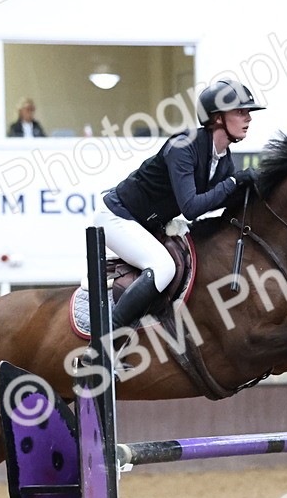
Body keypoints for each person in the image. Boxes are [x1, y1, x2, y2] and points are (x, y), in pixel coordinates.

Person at [93, 79, 263, 332]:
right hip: (118, 217)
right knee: (163, 268)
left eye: (248, 112)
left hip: (150, 224)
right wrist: (233, 183)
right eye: (240, 111)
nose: (248, 118)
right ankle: (107, 338)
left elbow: (220, 201)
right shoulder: (182, 147)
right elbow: (192, 207)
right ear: (217, 118)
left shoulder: (223, 159)